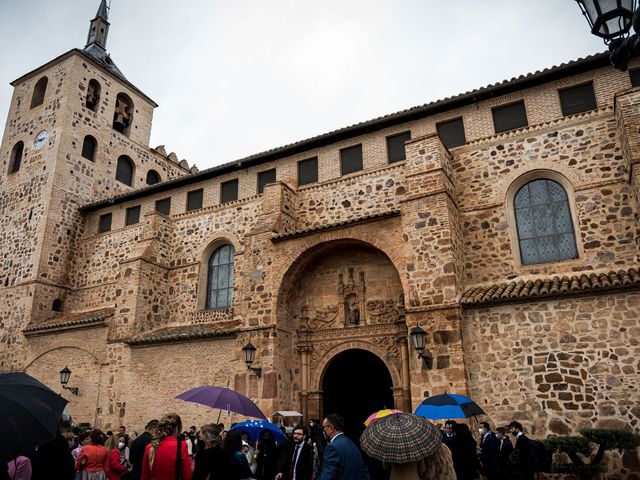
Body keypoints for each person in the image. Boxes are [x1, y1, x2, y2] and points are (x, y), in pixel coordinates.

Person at [317, 414, 370, 480]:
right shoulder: (351, 444)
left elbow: (326, 476)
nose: (323, 430)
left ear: (331, 428)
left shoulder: (332, 447)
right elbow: (364, 473)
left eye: (323, 427)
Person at [141, 413, 192, 480]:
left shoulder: (150, 447)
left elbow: (145, 476)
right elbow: (187, 475)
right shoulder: (181, 445)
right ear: (177, 428)